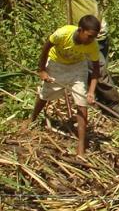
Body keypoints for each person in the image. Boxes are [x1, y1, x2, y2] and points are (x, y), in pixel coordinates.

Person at [50, 0, 119, 121]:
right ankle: (113, 106)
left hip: (101, 33)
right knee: (100, 70)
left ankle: (95, 99)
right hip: (86, 36)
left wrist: (104, 4)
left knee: (97, 69)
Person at [29, 15, 102, 156]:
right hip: (57, 64)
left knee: (82, 102)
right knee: (45, 94)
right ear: (80, 30)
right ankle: (32, 118)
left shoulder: (92, 45)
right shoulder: (62, 34)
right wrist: (42, 70)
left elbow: (96, 70)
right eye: (89, 36)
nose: (91, 40)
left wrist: (91, 92)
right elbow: (46, 48)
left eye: (94, 37)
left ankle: (81, 145)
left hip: (77, 67)